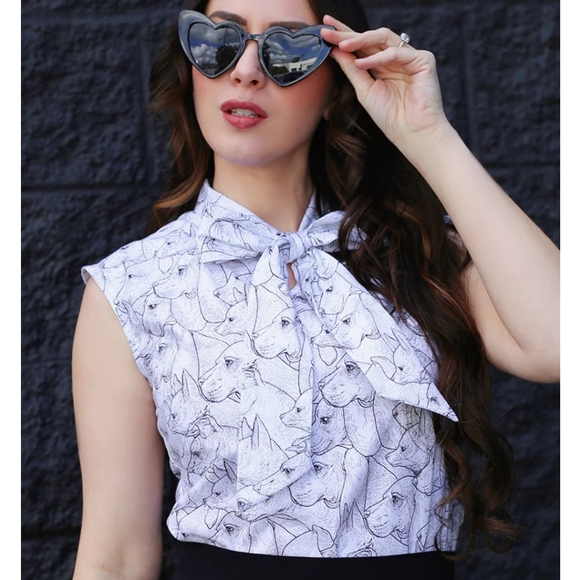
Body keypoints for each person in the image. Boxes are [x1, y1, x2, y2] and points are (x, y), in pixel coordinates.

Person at [70, 0, 560, 578]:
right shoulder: (132, 286)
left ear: (336, 89)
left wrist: (428, 134)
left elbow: (560, 345)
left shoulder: (417, 250)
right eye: (219, 41)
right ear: (190, 68)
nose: (246, 71)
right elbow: (116, 558)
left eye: (287, 49)